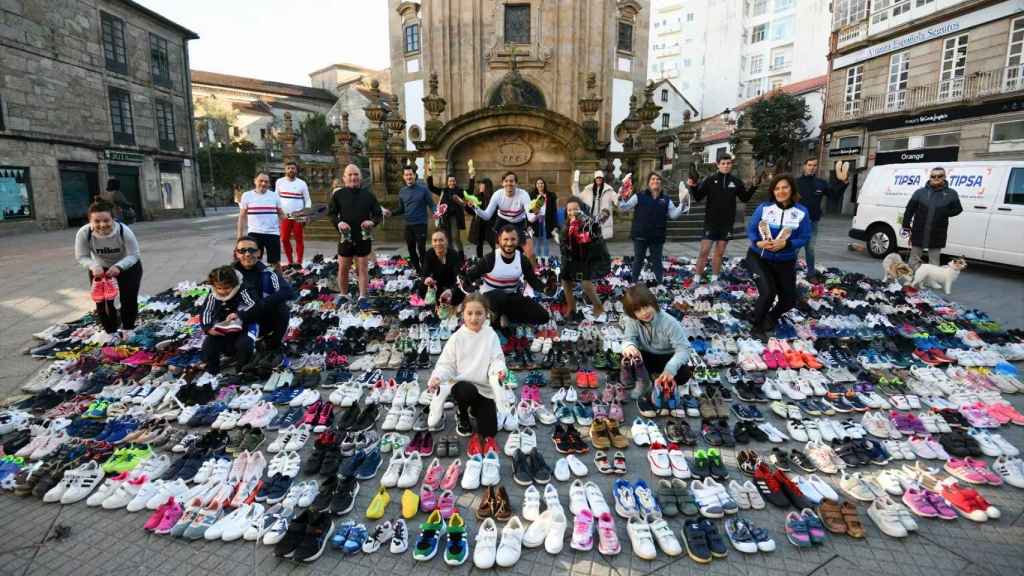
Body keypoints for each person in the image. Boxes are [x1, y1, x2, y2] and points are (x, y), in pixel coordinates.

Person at [428, 293, 509, 438]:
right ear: (463, 314)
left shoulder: (491, 336)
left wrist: (499, 371)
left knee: (489, 432)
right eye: (469, 313)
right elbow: (446, 364)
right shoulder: (457, 338)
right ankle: (462, 412)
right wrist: (437, 377)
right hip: (462, 385)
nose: (474, 318)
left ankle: (475, 409)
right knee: (465, 390)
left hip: (484, 389)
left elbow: (497, 360)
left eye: (479, 313)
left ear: (486, 314)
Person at [745, 174, 812, 335]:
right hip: (759, 258)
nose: (781, 191)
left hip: (785, 261)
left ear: (792, 189)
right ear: (773, 191)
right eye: (777, 188)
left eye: (785, 187)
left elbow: (805, 237)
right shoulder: (765, 208)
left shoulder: (801, 212)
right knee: (768, 293)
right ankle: (756, 326)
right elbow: (751, 228)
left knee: (789, 300)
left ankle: (770, 317)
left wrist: (787, 244)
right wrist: (757, 242)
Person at [74, 200, 143, 335]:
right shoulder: (84, 233)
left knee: (128, 298)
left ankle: (128, 328)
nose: (102, 225)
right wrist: (93, 266)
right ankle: (110, 332)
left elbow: (134, 254)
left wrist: (119, 267)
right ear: (90, 221)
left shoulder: (124, 231)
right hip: (100, 269)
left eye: (106, 220)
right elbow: (81, 256)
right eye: (97, 221)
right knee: (103, 301)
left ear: (113, 219)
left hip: (128, 266)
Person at [687, 155, 757, 283]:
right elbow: (697, 197)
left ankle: (714, 280)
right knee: (704, 252)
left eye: (728, 163)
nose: (726, 166)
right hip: (711, 223)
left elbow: (744, 198)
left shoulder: (736, 181)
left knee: (719, 253)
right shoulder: (710, 180)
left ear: (731, 164)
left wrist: (753, 186)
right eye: (723, 163)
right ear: (717, 164)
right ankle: (696, 280)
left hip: (727, 224)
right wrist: (693, 186)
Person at [463, 225, 550, 326]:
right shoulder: (490, 259)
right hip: (490, 299)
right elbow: (469, 277)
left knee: (543, 316)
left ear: (517, 240)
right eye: (505, 239)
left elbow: (533, 281)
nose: (509, 243)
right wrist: (456, 291)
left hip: (510, 297)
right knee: (500, 296)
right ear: (499, 240)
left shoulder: (522, 260)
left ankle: (506, 316)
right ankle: (495, 322)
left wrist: (546, 288)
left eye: (513, 239)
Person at [620, 284, 691, 399]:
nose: (644, 313)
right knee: (626, 358)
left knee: (684, 374)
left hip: (666, 356)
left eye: (646, 306)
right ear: (632, 313)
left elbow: (684, 349)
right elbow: (628, 338)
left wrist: (671, 368)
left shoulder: (670, 322)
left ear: (653, 303)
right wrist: (629, 346)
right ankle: (645, 382)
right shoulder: (632, 320)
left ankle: (657, 377)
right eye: (638, 310)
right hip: (645, 356)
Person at [618, 172, 687, 284]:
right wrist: (620, 195)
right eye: (653, 179)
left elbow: (673, 215)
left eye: (658, 179)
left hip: (657, 236)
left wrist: (682, 204)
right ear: (648, 183)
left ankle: (660, 284)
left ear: (661, 183)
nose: (655, 181)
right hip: (640, 235)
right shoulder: (639, 196)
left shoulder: (666, 199)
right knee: (638, 260)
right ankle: (633, 283)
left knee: (657, 262)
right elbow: (623, 207)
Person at [328, 164, 384, 301]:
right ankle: (343, 295)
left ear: (361, 177)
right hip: (345, 237)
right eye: (350, 175)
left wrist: (372, 222)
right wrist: (339, 223)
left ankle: (363, 297)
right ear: (344, 178)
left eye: (356, 174)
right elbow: (331, 214)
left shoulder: (369, 195)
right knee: (343, 268)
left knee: (362, 269)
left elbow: (378, 214)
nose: (353, 177)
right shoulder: (338, 195)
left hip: (363, 237)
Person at [231, 236, 294, 350]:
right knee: (242, 349)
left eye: (252, 250)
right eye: (242, 251)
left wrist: (262, 304)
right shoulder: (229, 274)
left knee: (282, 308)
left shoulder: (267, 271)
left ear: (259, 252)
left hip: (260, 315)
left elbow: (287, 291)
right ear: (236, 253)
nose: (248, 254)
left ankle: (273, 345)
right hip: (238, 320)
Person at [795, 159, 849, 278]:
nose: (812, 167)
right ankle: (787, 272)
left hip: (813, 222)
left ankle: (811, 274)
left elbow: (834, 195)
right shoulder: (796, 183)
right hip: (797, 224)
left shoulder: (821, 183)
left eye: (814, 165)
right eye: (809, 165)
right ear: (804, 166)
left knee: (810, 250)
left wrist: (844, 183)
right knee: (794, 249)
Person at [901, 166, 963, 270]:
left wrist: (944, 213)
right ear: (930, 177)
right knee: (913, 260)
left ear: (944, 177)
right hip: (919, 231)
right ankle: (912, 281)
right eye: (933, 176)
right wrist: (906, 225)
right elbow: (909, 210)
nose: (936, 178)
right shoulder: (920, 193)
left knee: (934, 262)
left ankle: (930, 283)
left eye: (939, 176)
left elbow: (958, 209)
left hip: (937, 232)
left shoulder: (951, 194)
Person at [559, 196, 610, 322]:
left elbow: (597, 240)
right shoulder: (566, 227)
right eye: (569, 210)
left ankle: (598, 307)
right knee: (565, 280)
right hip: (571, 259)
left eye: (575, 209)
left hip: (588, 259)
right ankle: (572, 309)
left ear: (581, 210)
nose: (572, 212)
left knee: (585, 282)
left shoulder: (589, 223)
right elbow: (563, 247)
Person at [473, 171, 543, 262]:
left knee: (530, 252)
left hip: (519, 223)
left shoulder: (523, 194)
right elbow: (487, 216)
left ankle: (533, 274)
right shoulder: (497, 195)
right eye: (506, 181)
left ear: (516, 183)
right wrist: (475, 207)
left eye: (512, 181)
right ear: (502, 183)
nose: (509, 183)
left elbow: (530, 218)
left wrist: (536, 213)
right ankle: (500, 274)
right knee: (499, 254)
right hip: (502, 222)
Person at [237, 173, 286, 270]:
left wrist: (293, 218)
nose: (263, 183)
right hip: (254, 234)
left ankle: (279, 283)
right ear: (255, 181)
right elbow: (242, 216)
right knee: (252, 261)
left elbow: (281, 214)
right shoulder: (247, 195)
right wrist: (239, 236)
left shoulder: (274, 196)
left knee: (275, 262)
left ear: (269, 184)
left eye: (266, 182)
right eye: (261, 181)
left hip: (273, 234)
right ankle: (255, 283)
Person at [392, 165, 435, 274]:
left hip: (421, 224)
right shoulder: (402, 191)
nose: (409, 177)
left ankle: (426, 270)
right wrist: (391, 213)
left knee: (421, 249)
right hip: (408, 225)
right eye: (406, 175)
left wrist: (436, 212)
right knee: (411, 249)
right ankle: (418, 270)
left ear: (415, 175)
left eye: (410, 174)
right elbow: (401, 209)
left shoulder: (423, 189)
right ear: (403, 177)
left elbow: (432, 204)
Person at [425, 158, 470, 255]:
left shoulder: (459, 191)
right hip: (445, 218)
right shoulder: (443, 191)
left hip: (455, 217)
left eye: (453, 181)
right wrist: (429, 173)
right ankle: (451, 256)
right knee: (447, 238)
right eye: (450, 181)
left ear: (455, 182)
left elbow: (470, 191)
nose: (452, 183)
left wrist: (472, 177)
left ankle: (461, 256)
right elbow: (431, 187)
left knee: (455, 237)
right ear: (447, 182)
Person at [275, 161, 311, 268]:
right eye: (289, 168)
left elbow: (308, 200)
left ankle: (299, 262)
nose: (291, 170)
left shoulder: (302, 183)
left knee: (299, 238)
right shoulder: (279, 182)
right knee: (284, 239)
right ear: (285, 170)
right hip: (285, 215)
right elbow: (276, 198)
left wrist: (307, 212)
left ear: (296, 170)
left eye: (293, 168)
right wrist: (278, 212)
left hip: (298, 216)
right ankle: (290, 261)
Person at [421, 230, 465, 306]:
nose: (438, 243)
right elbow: (425, 273)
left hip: (451, 283)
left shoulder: (453, 254)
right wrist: (427, 279)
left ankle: (448, 302)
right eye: (435, 240)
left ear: (446, 241)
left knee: (459, 291)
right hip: (436, 283)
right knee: (422, 286)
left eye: (441, 240)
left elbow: (458, 276)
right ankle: (436, 303)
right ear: (432, 242)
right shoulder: (429, 254)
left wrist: (451, 290)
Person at [573, 169, 618, 240]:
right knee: (589, 241)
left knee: (601, 243)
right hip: (590, 220)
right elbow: (577, 197)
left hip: (602, 221)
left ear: (603, 179)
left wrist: (622, 193)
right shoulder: (588, 189)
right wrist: (575, 182)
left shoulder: (609, 190)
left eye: (600, 178)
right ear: (595, 179)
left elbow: (617, 200)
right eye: (597, 177)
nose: (599, 179)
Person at [468, 177, 495, 259]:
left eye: (481, 185)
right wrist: (469, 207)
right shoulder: (476, 197)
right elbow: (471, 212)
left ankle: (495, 258)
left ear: (486, 186)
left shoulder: (493, 197)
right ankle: (480, 259)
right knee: (479, 244)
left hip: (489, 225)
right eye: (480, 185)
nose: (480, 186)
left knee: (493, 243)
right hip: (479, 224)